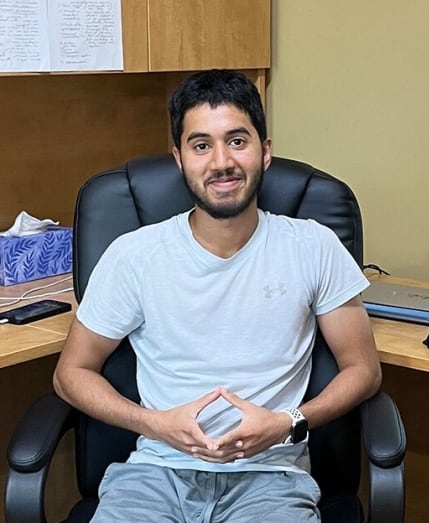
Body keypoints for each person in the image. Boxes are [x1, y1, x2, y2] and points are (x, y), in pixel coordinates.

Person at [53, 69, 382, 522]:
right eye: (201, 145)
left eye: (237, 141)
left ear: (265, 152)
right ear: (180, 158)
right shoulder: (135, 255)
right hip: (154, 475)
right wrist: (154, 424)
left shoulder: (313, 245)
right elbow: (71, 373)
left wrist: (288, 422)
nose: (221, 162)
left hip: (270, 480)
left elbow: (364, 370)